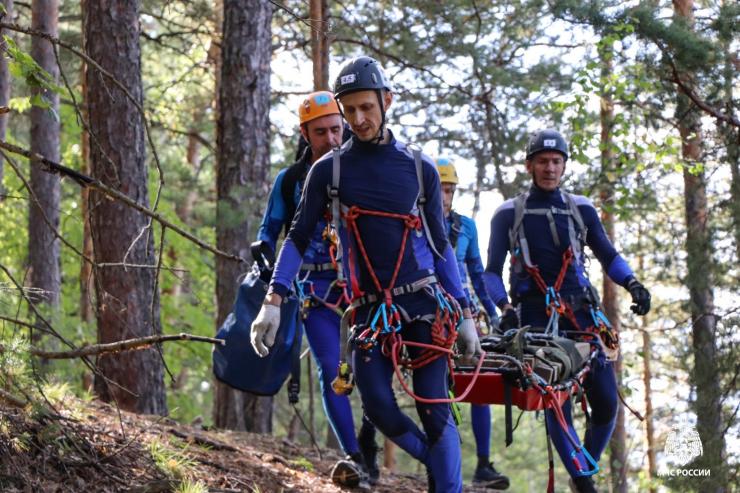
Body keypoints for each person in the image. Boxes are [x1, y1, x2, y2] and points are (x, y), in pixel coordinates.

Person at [251, 56, 482, 493]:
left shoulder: (419, 168)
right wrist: (272, 302)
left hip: (424, 303)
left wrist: (466, 312)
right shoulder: (329, 170)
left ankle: (446, 482)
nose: (358, 119)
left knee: (434, 405)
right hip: (368, 311)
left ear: (387, 101)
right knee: (377, 405)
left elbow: (441, 245)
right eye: (350, 109)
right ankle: (440, 466)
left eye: (367, 107)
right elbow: (296, 238)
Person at [483, 129, 651, 493]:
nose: (549, 168)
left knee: (606, 404)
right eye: (542, 161)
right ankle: (583, 481)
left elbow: (608, 255)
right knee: (555, 403)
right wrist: (504, 309)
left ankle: (582, 470)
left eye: (556, 161)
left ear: (564, 165)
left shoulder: (581, 209)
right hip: (536, 320)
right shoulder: (508, 214)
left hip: (583, 316)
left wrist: (633, 283)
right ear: (530, 165)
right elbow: (490, 273)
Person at [255, 90, 378, 488]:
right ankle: (355, 457)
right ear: (305, 134)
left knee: (371, 370)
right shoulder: (291, 180)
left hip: (363, 286)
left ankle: (369, 439)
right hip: (317, 289)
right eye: (321, 132)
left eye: (335, 129)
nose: (331, 139)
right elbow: (271, 228)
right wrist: (264, 253)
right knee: (331, 370)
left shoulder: (363, 169)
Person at [436, 158, 509, 490]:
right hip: (431, 314)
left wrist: (495, 312)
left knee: (478, 384)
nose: (444, 197)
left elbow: (478, 274)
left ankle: (483, 464)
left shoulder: (465, 227)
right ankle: (442, 463)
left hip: (467, 314)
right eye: (439, 190)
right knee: (437, 388)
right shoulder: (415, 224)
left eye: (449, 190)